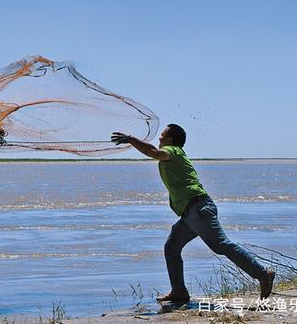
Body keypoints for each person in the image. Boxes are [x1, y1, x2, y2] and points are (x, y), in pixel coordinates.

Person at [111, 124, 275, 303]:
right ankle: (179, 292)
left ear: (171, 140)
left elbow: (154, 152)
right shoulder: (172, 153)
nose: (159, 138)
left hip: (198, 209)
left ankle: (263, 274)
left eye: (162, 135)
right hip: (190, 214)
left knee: (220, 245)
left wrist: (131, 139)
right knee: (171, 246)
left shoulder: (173, 151)